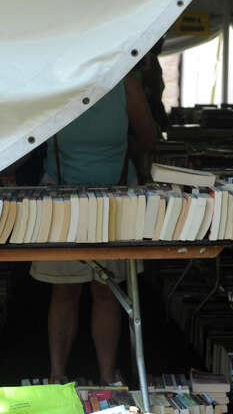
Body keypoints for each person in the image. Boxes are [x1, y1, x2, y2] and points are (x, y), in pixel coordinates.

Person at [30, 73, 158, 384]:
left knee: (102, 291)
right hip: (77, 196)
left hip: (100, 197)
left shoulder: (121, 83)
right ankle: (70, 375)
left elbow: (148, 137)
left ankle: (87, 375)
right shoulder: (121, 82)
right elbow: (147, 139)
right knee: (85, 291)